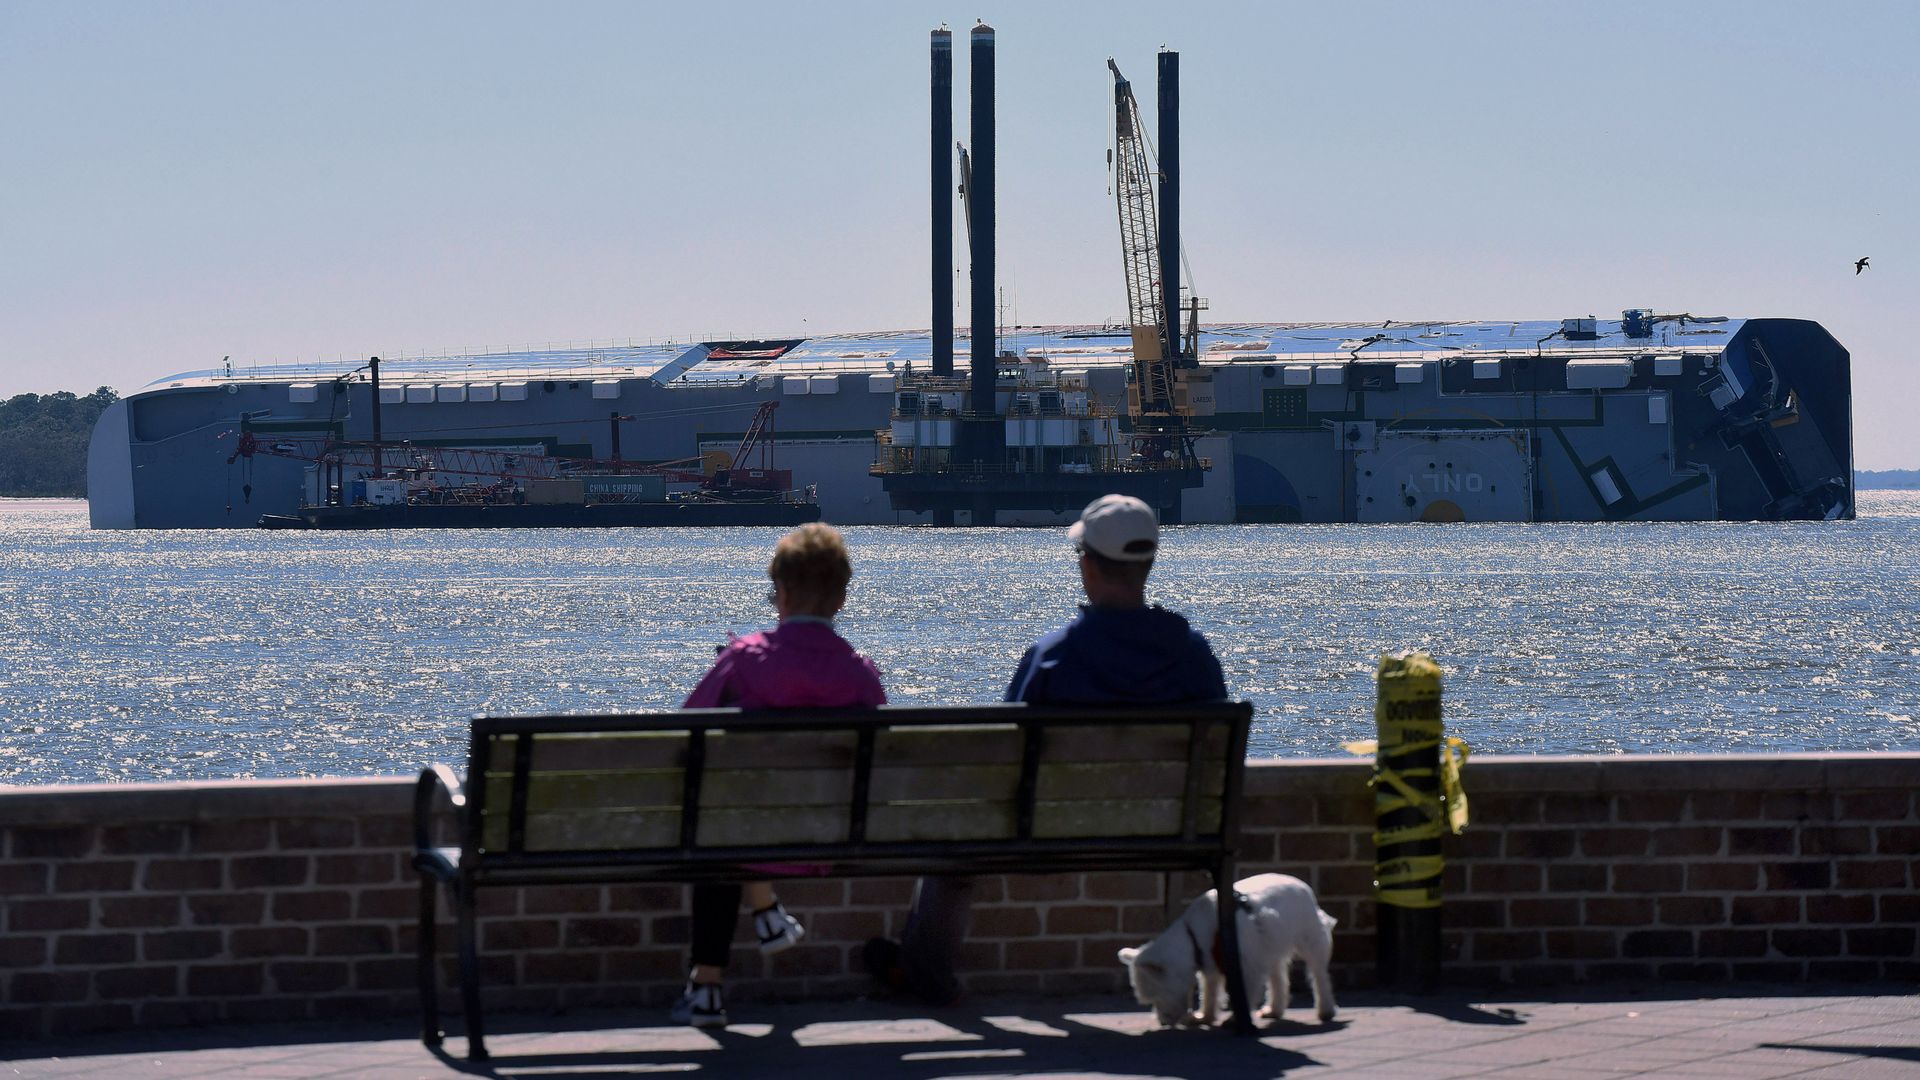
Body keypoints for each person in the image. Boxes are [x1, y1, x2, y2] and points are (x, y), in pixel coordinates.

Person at [865, 493, 1227, 1005]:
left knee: (951, 845)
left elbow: (1005, 757)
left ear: (1088, 566)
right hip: (1178, 828)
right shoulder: (1194, 655)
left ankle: (926, 977)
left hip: (1049, 831)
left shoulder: (1054, 657)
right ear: (1148, 565)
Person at [671, 522, 886, 1028]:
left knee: (723, 822)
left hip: (746, 835)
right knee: (742, 815)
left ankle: (707, 986)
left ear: (781, 592)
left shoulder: (745, 662)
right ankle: (765, 911)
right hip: (829, 838)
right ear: (841, 598)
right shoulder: (861, 674)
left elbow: (682, 735)